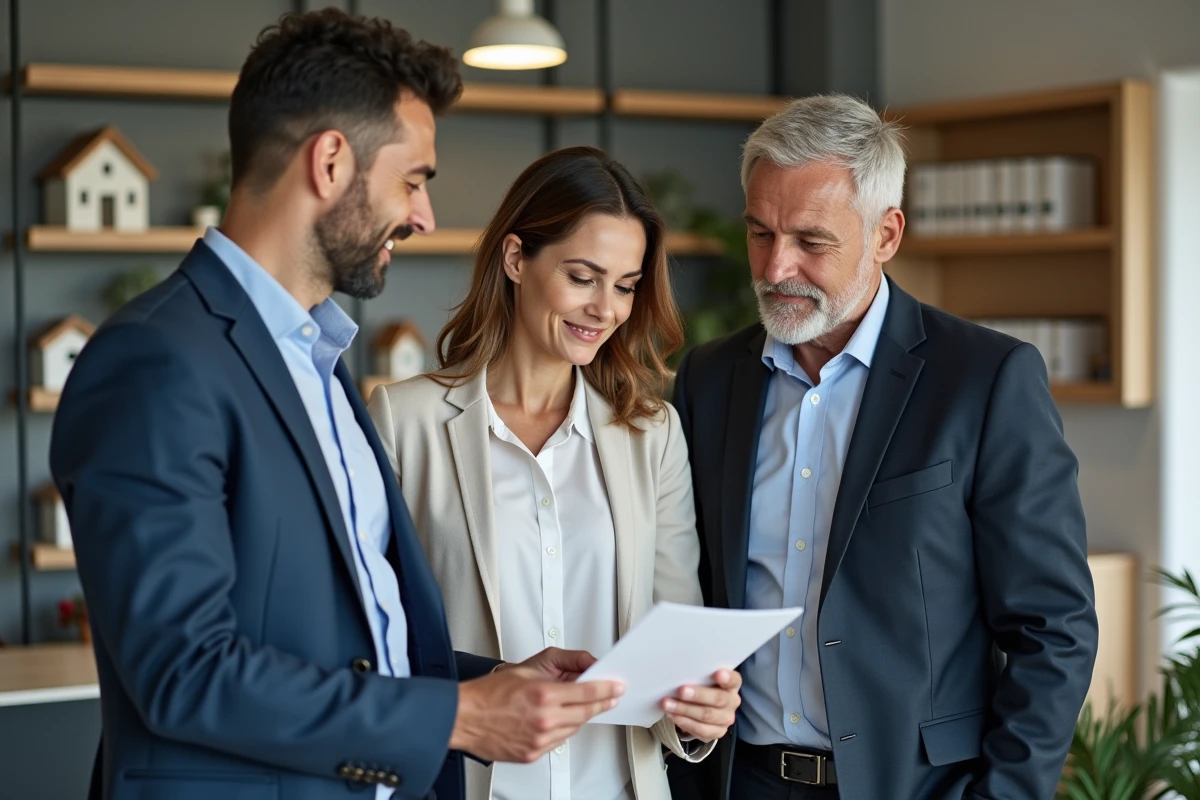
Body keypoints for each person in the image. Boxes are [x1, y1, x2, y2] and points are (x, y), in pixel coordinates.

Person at [49, 11, 622, 800]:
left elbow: (348, 648)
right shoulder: (155, 361)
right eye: (413, 179)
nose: (422, 216)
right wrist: (455, 716)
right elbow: (184, 672)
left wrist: (498, 685)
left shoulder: (319, 361)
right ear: (330, 162)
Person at [667, 94, 1099, 799]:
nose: (776, 268)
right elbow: (686, 590)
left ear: (886, 233)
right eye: (759, 233)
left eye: (811, 241)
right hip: (738, 781)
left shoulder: (985, 379)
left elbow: (1053, 631)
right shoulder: (709, 378)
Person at [367, 146, 742, 800]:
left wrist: (698, 715)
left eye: (625, 285)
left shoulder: (652, 435)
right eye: (582, 276)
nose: (606, 308)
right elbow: (374, 642)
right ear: (516, 259)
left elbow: (675, 640)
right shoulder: (406, 420)